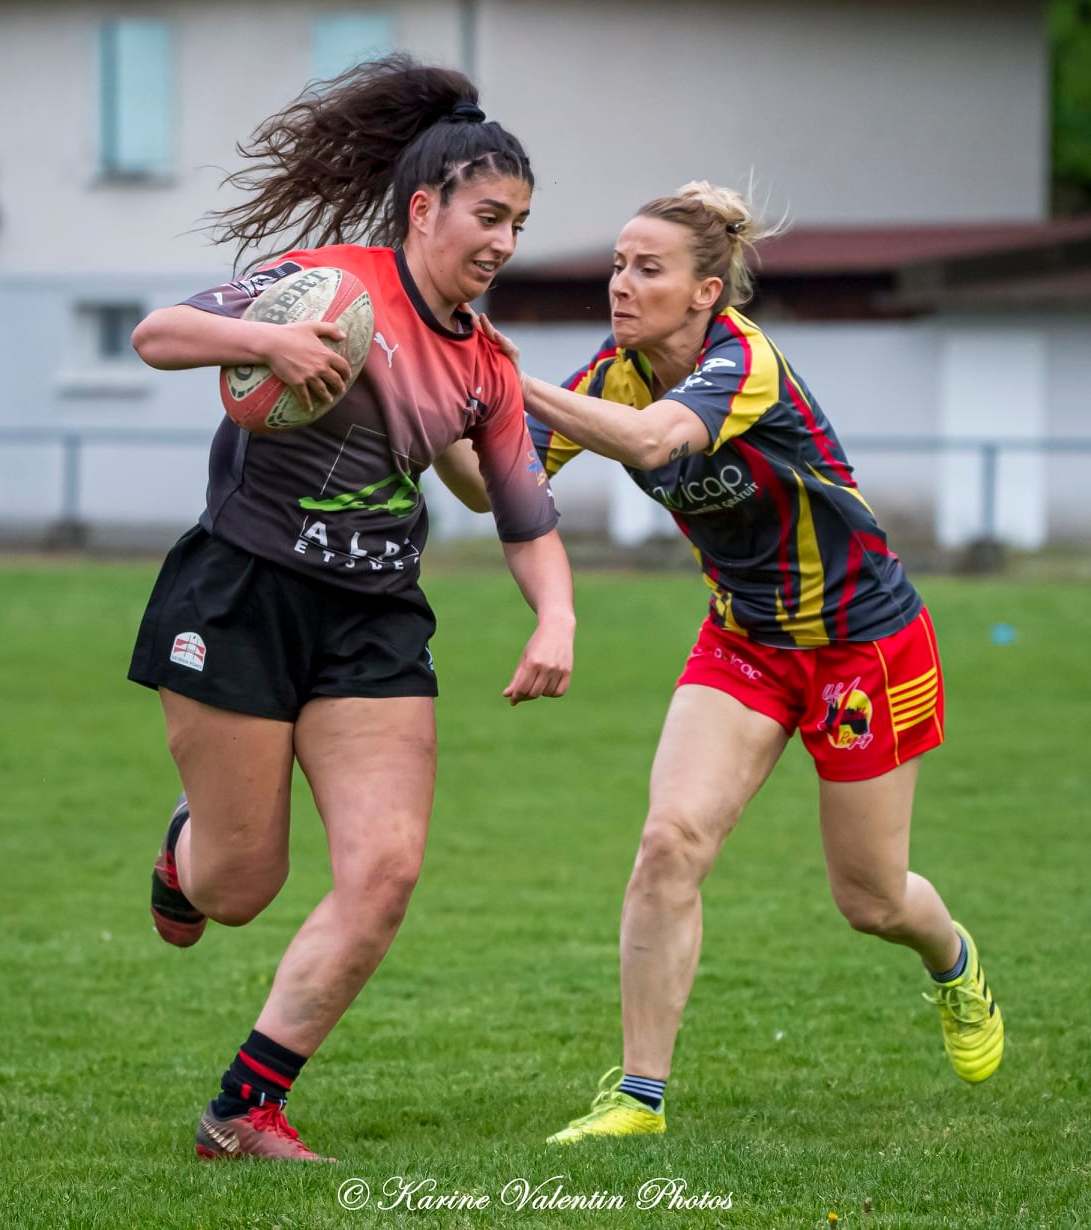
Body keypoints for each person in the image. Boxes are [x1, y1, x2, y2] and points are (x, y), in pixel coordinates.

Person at [443, 181, 1003, 1143]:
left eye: (647, 269)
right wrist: (438, 412)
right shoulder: (612, 373)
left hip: (861, 646)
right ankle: (638, 1098)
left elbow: (657, 439)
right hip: (744, 640)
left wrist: (505, 377)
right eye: (618, 264)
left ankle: (952, 961)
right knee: (668, 842)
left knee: (870, 899)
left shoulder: (744, 362)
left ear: (707, 292)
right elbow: (493, 489)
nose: (622, 284)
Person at [126, 56, 574, 1163]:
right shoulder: (328, 283)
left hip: (374, 618)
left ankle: (243, 1110)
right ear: (424, 209)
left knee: (384, 872)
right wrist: (267, 341)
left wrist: (554, 617)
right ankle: (185, 855)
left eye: (518, 224)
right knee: (240, 887)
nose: (504, 243)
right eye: (489, 216)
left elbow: (524, 512)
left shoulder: (488, 367)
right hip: (243, 591)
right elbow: (158, 334)